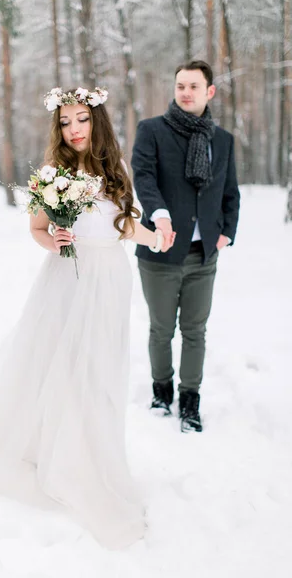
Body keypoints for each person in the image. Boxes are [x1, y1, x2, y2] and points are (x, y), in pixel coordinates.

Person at [0, 87, 169, 549]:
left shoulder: (115, 170)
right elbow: (37, 229)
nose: (74, 129)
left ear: (96, 120)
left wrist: (154, 239)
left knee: (98, 372)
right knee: (61, 365)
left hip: (109, 279)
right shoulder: (52, 173)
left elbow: (122, 224)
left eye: (82, 119)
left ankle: (91, 450)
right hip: (69, 280)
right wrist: (56, 238)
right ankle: (57, 454)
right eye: (66, 122)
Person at [131, 60, 240, 433]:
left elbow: (230, 191)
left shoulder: (222, 140)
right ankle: (161, 393)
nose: (186, 93)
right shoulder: (152, 131)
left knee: (195, 331)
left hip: (203, 255)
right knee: (161, 330)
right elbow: (143, 178)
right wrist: (158, 213)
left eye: (194, 86)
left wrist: (227, 230)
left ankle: (190, 399)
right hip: (161, 252)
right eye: (180, 86)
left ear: (209, 91)